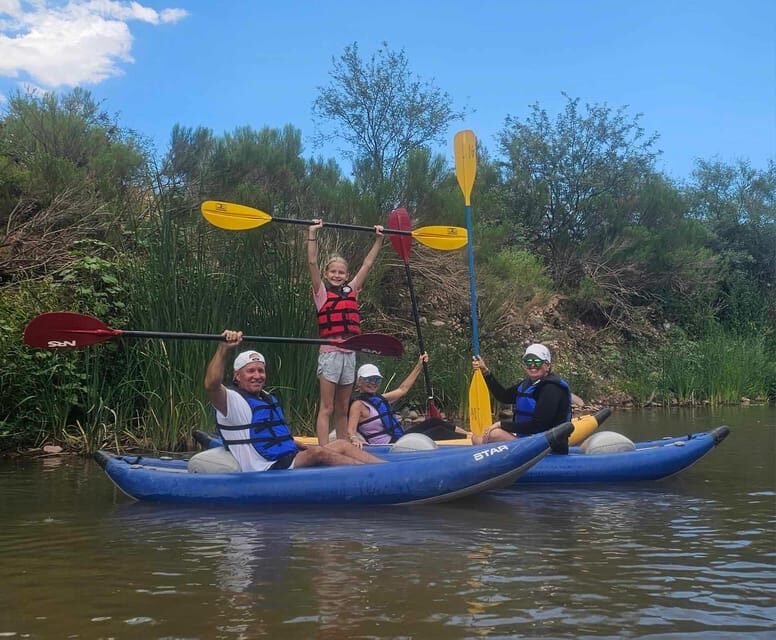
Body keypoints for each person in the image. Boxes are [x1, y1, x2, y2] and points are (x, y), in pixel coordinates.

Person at [204, 330, 385, 471]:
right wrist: (222, 349)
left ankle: (385, 468)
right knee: (318, 452)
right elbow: (211, 385)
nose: (257, 376)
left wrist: (296, 444)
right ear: (237, 376)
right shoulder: (231, 401)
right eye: (250, 371)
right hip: (265, 466)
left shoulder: (266, 398)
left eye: (261, 370)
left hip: (285, 457)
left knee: (342, 444)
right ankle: (374, 476)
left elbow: (274, 434)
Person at [307, 219, 384, 445]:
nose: (337, 275)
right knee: (327, 407)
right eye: (333, 271)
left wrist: (379, 239)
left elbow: (367, 264)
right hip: (330, 353)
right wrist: (312, 233)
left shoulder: (352, 290)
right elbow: (311, 262)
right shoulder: (320, 292)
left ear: (346, 274)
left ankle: (341, 447)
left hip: (349, 354)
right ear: (327, 273)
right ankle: (324, 449)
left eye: (341, 272)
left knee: (342, 407)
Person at [346, 353, 471, 446]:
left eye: (376, 380)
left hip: (399, 438)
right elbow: (350, 429)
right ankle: (472, 442)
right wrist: (353, 438)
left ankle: (471, 435)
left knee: (434, 422)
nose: (372, 383)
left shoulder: (379, 399)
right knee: (439, 431)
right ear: (359, 382)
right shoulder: (357, 405)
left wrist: (419, 365)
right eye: (368, 379)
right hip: (390, 445)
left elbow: (403, 389)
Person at [471, 343, 572, 453]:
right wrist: (486, 372)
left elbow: (538, 426)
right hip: (529, 442)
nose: (532, 365)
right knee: (475, 438)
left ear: (547, 365)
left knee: (494, 434)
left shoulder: (552, 389)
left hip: (548, 449)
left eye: (537, 362)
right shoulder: (528, 384)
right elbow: (503, 396)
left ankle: (479, 458)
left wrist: (501, 424)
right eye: (528, 362)